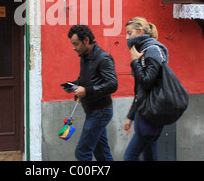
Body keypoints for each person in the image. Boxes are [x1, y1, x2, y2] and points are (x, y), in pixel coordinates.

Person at [64, 25, 118, 161]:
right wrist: (75, 85)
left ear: (86, 40)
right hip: (93, 110)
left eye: (76, 44)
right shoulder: (84, 56)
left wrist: (86, 91)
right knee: (102, 154)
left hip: (101, 111)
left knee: (82, 153)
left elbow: (113, 84)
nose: (73, 47)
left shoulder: (103, 58)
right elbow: (86, 80)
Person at [122, 17, 169, 161]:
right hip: (145, 112)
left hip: (151, 113)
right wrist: (131, 116)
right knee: (150, 156)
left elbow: (147, 82)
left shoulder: (152, 50)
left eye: (130, 33)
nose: (126, 37)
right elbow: (140, 90)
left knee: (130, 156)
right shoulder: (143, 51)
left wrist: (135, 61)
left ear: (140, 31)